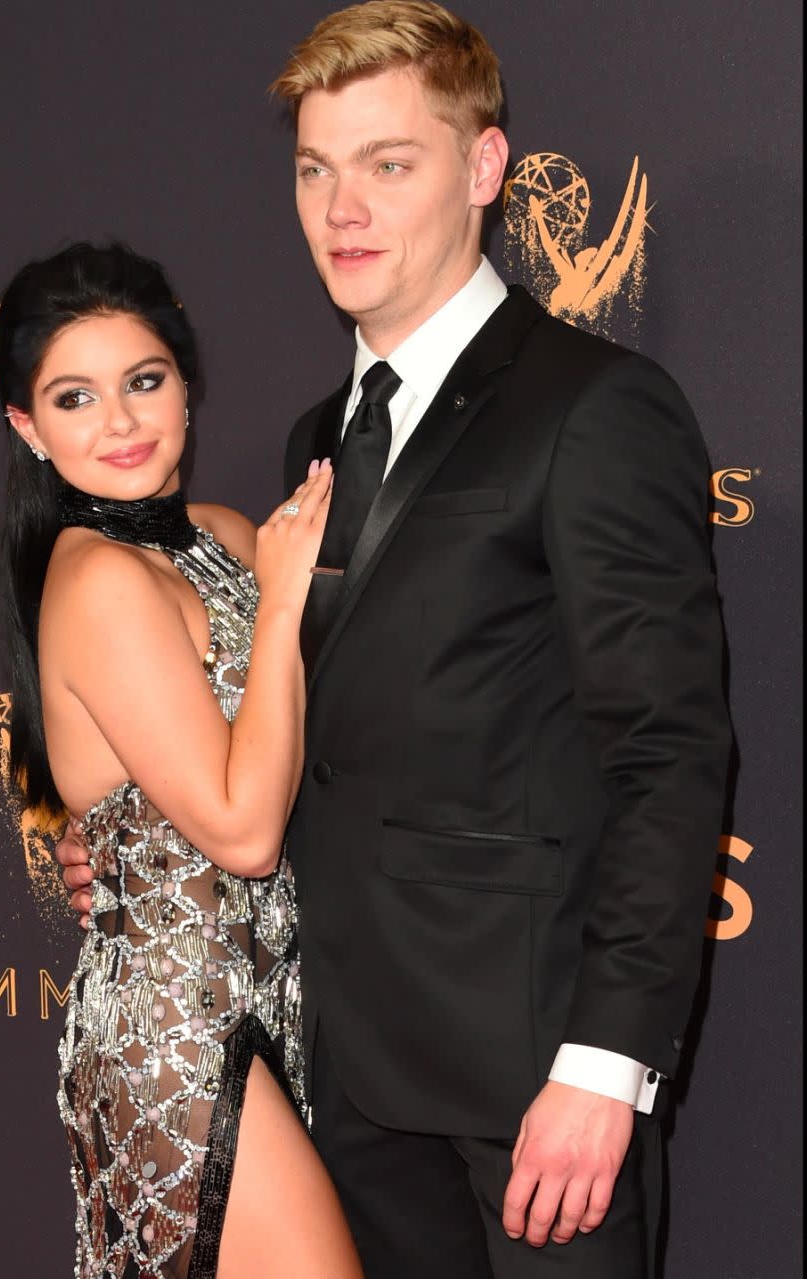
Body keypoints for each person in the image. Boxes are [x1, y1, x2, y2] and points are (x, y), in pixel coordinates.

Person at [59, 4, 731, 1275]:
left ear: (483, 170)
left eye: (388, 163)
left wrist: (604, 1067)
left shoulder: (593, 409)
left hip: (531, 1092)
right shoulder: (318, 433)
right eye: (316, 169)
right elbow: (303, 724)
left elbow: (669, 756)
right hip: (342, 1077)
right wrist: (145, 848)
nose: (342, 208)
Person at [0, 241, 362, 1279]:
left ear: (187, 389)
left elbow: (308, 756)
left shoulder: (223, 535)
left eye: (144, 381)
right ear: (28, 426)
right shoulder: (97, 581)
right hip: (173, 1035)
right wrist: (285, 598)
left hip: (284, 1004)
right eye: (75, 397)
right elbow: (243, 831)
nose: (120, 422)